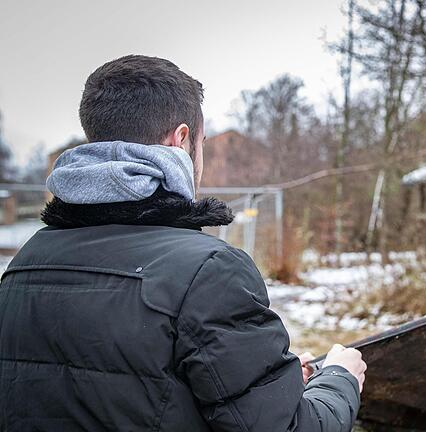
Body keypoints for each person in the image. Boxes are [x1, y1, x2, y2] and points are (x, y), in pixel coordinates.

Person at [0, 55, 366, 431]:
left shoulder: (25, 264)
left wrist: (275, 384)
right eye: (202, 143)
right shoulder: (208, 272)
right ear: (182, 139)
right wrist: (339, 381)